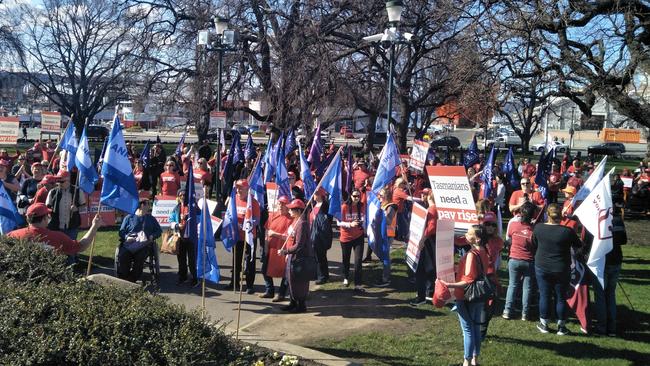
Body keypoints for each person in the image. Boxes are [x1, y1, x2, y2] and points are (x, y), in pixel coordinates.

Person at [440, 225, 490, 366]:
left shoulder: (471, 255)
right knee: (475, 327)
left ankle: (466, 361)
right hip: (479, 295)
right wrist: (457, 268)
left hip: (465, 295)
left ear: (477, 238)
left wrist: (449, 285)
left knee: (467, 328)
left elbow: (467, 280)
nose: (466, 235)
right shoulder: (484, 252)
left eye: (469, 233)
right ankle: (475, 359)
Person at [532, 204, 582, 335]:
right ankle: (561, 326)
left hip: (542, 266)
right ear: (561, 216)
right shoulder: (567, 231)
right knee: (561, 297)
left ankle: (544, 324)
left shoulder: (538, 228)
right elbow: (579, 245)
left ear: (547, 215)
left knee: (545, 295)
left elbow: (534, 244)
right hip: (561, 268)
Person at [8, 203, 102, 255]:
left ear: (28, 218)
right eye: (48, 216)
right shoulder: (58, 237)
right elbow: (81, 246)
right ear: (45, 218)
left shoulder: (12, 235)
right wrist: (94, 226)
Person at [593, 204, 627, 336]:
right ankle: (611, 328)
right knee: (610, 294)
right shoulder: (618, 220)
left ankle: (602, 328)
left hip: (602, 262)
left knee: (601, 295)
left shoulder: (597, 220)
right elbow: (623, 240)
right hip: (616, 260)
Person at [278, 199, 313, 313]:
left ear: (298, 210)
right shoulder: (295, 221)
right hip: (292, 257)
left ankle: (301, 305)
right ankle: (293, 302)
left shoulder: (302, 224)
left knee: (299, 282)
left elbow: (299, 245)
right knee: (290, 280)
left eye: (292, 209)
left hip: (299, 258)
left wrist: (286, 251)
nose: (289, 210)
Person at [503, 202, 536, 321]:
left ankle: (507, 310)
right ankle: (525, 314)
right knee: (527, 288)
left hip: (514, 259)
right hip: (529, 261)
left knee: (512, 285)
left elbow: (508, 239)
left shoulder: (513, 225)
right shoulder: (534, 229)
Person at [117, 198, 162, 282]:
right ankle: (124, 277)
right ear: (142, 205)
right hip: (129, 243)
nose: (150, 206)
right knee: (123, 255)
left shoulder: (151, 219)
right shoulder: (129, 218)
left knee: (140, 257)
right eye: (148, 204)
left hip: (144, 244)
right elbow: (121, 232)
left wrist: (153, 236)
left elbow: (159, 231)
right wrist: (127, 237)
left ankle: (133, 278)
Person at [230, 179, 260, 293]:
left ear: (247, 190)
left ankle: (249, 285)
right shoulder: (234, 199)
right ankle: (234, 282)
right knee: (235, 260)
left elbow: (256, 220)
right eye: (237, 187)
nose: (238, 190)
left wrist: (244, 226)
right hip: (236, 236)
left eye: (241, 188)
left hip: (249, 237)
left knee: (249, 261)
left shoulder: (253, 202)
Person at [260, 196, 292, 300]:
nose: (280, 206)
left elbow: (289, 237)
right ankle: (270, 290)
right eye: (279, 204)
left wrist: (275, 234)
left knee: (284, 272)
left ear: (288, 206)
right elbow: (266, 231)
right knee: (264, 269)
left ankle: (281, 293)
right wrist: (265, 246)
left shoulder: (291, 219)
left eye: (283, 204)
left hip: (282, 250)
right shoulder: (272, 215)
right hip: (271, 248)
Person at [411, 190, 438, 306]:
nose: (422, 196)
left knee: (421, 269)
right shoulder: (435, 208)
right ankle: (429, 292)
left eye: (424, 194)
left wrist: (422, 238)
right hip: (432, 240)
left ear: (429, 196)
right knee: (430, 267)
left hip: (428, 241)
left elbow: (431, 227)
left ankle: (421, 295)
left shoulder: (432, 209)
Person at [337, 187, 366, 293]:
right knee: (346, 259)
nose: (357, 198)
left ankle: (358, 284)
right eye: (354, 196)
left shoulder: (362, 206)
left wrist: (363, 222)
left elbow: (364, 217)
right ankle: (346, 277)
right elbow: (338, 222)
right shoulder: (344, 207)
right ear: (350, 196)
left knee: (358, 260)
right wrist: (350, 224)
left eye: (358, 196)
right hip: (346, 238)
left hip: (358, 236)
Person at [46, 171, 86, 240]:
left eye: (61, 182)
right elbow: (47, 207)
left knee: (71, 247)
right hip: (56, 226)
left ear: (68, 180)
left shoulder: (78, 191)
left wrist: (77, 209)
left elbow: (83, 205)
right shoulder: (52, 192)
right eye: (57, 181)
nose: (59, 184)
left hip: (72, 226)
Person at [169, 190, 198, 286]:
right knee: (181, 259)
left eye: (184, 195)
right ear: (178, 197)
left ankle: (194, 278)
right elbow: (171, 220)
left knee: (192, 259)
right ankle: (182, 277)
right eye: (180, 195)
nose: (182, 196)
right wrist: (177, 225)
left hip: (191, 237)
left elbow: (199, 218)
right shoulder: (176, 208)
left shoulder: (192, 207)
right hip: (180, 237)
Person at [310, 188, 333, 285]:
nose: (314, 195)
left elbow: (327, 220)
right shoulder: (314, 205)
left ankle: (323, 276)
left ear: (320, 195)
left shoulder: (325, 206)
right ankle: (320, 274)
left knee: (321, 256)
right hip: (314, 234)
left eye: (316, 194)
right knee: (317, 256)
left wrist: (318, 219)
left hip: (322, 235)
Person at [375, 186, 397, 288]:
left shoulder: (390, 207)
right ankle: (385, 275)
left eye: (380, 196)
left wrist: (382, 214)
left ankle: (386, 279)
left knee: (385, 257)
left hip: (388, 235)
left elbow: (388, 220)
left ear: (386, 197)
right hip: (383, 234)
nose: (379, 198)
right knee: (384, 256)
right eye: (378, 196)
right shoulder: (383, 205)